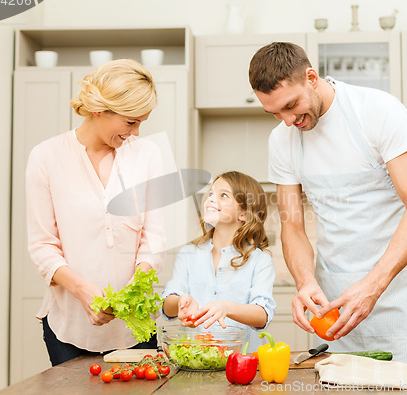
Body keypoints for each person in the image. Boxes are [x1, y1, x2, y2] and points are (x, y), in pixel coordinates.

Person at [248, 42, 407, 379]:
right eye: (275, 113)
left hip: (394, 297)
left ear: (311, 77)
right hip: (331, 307)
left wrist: (372, 287)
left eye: (291, 106)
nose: (288, 121)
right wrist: (304, 282)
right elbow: (292, 227)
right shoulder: (282, 140)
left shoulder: (377, 111)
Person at [26, 59, 166, 366]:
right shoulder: (46, 157)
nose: (137, 132)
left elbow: (154, 238)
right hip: (68, 327)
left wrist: (137, 285)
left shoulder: (148, 155)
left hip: (135, 327)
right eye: (131, 122)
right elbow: (42, 245)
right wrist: (83, 291)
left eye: (142, 122)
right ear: (100, 110)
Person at [161, 171, 277, 353]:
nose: (212, 199)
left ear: (244, 215)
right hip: (194, 360)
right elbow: (168, 307)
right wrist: (180, 302)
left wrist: (226, 307)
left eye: (223, 195)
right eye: (211, 194)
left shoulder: (260, 261)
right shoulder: (188, 254)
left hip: (241, 363)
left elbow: (262, 314)